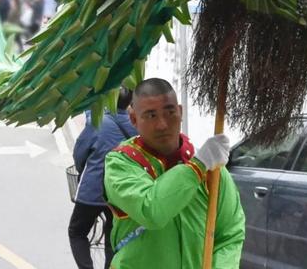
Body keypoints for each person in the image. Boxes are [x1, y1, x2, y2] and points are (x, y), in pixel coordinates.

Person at [103, 78, 244, 268]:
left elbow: (230, 233)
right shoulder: (122, 163)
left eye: (169, 112)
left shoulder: (212, 169)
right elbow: (151, 211)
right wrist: (197, 167)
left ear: (180, 112)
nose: (162, 124)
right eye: (150, 115)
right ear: (134, 119)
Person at [70, 87, 137, 269]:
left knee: (77, 232)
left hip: (93, 191)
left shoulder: (97, 122)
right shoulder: (136, 126)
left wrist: (83, 168)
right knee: (112, 234)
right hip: (120, 193)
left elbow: (79, 153)